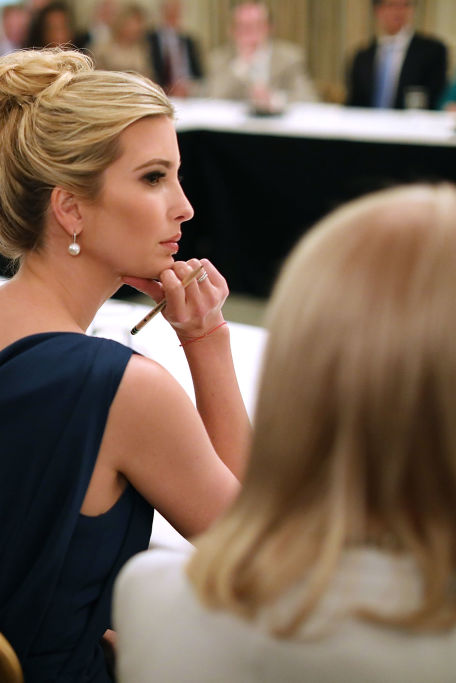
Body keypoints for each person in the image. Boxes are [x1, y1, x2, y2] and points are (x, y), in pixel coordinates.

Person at [0, 48, 249, 683]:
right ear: (71, 209)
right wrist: (207, 338)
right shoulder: (117, 388)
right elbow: (251, 548)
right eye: (153, 178)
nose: (185, 206)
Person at [114, 183, 456, 682]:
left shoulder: (158, 601)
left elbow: (243, 533)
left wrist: (205, 337)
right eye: (152, 177)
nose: (185, 207)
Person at [204, 2, 316, 106]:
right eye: (242, 26)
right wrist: (240, 65)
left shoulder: (289, 57)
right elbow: (210, 98)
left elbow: (308, 98)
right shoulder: (218, 58)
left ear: (269, 27)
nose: (249, 33)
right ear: (232, 30)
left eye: (257, 26)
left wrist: (274, 99)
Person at [347, 0, 447, 110]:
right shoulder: (363, 57)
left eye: (405, 5)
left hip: (412, 119)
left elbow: (436, 98)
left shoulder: (432, 51)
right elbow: (354, 103)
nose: (399, 11)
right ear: (378, 10)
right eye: (391, 5)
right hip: (367, 120)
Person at [146, 0, 204, 96]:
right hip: (161, 92)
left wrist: (188, 87)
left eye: (176, 11)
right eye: (170, 11)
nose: (173, 15)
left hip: (189, 94)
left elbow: (199, 74)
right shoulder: (150, 39)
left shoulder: (189, 41)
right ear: (162, 12)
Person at [93, 4, 153, 79]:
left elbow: (147, 76)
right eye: (133, 24)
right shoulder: (103, 48)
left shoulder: (141, 50)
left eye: (139, 24)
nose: (137, 28)